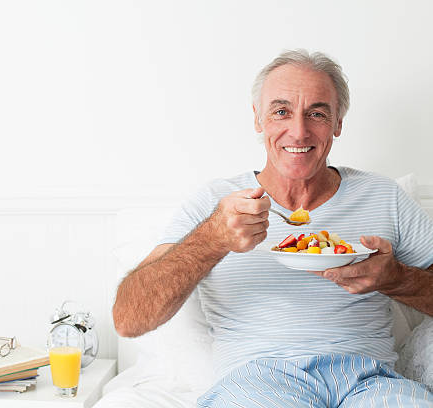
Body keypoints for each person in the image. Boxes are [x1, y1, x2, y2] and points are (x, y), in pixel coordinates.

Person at [112, 49, 433, 407]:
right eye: (281, 111)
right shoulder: (217, 203)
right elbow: (128, 318)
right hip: (258, 382)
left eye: (317, 113)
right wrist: (211, 240)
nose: (298, 131)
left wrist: (397, 279)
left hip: (370, 382)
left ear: (338, 123)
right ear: (258, 119)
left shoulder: (384, 197)